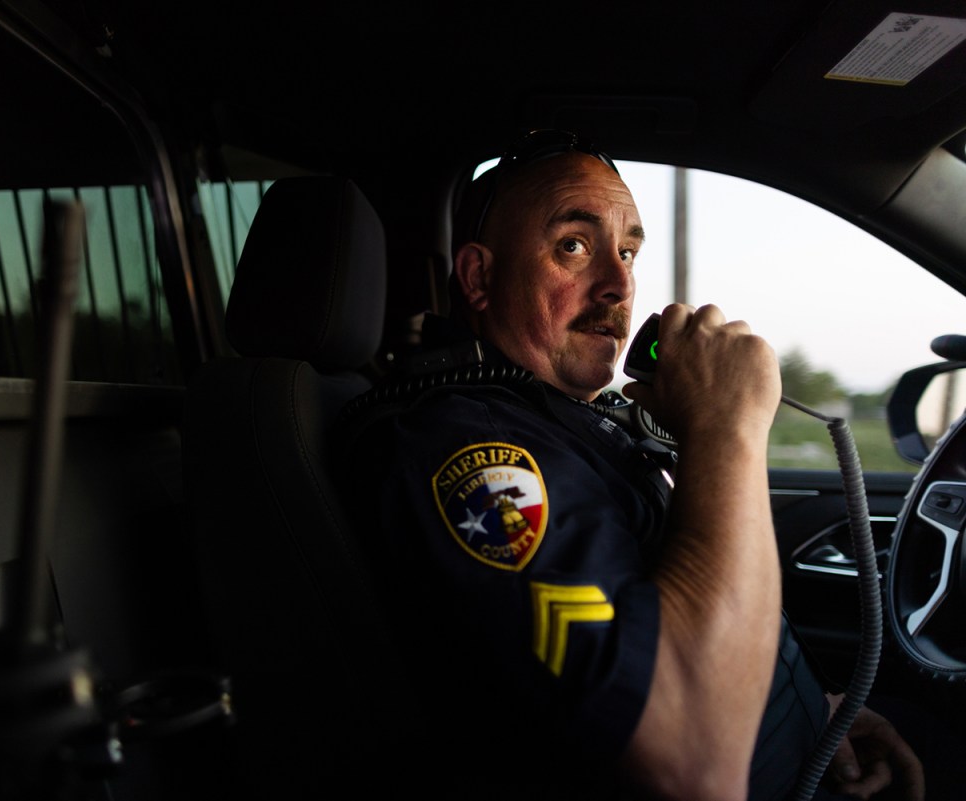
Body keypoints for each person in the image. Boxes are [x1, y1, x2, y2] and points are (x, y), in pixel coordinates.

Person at [337, 130, 924, 801]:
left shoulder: (559, 421)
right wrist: (726, 427)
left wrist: (810, 709)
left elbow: (667, 620)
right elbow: (695, 766)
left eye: (628, 251)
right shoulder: (470, 453)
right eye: (574, 246)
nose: (619, 285)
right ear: (479, 276)